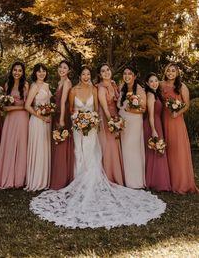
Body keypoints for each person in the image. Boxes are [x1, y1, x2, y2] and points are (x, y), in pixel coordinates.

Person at [29, 65, 165, 229]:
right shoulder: (73, 90)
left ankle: (91, 180)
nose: (86, 76)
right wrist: (78, 119)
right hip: (78, 126)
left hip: (92, 126)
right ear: (80, 76)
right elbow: (72, 108)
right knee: (78, 151)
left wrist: (91, 120)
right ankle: (79, 179)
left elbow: (95, 109)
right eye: (83, 74)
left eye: (88, 74)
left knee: (92, 152)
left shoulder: (95, 89)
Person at [161, 63, 198, 194]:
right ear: (165, 72)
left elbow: (186, 105)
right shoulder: (161, 85)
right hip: (163, 120)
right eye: (168, 70)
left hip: (176, 121)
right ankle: (167, 181)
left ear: (177, 73)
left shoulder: (182, 86)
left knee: (178, 150)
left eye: (173, 71)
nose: (170, 73)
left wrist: (177, 113)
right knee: (167, 149)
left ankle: (181, 182)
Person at [0, 62, 29, 189]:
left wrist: (12, 108)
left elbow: (27, 106)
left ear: (23, 72)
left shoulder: (26, 85)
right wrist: (8, 107)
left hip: (21, 119)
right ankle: (7, 176)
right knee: (9, 145)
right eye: (15, 70)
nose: (17, 72)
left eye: (20, 70)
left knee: (21, 145)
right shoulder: (7, 85)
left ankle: (19, 179)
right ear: (11, 71)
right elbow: (4, 107)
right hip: (9, 120)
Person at [117, 64, 146, 189]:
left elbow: (143, 109)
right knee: (124, 149)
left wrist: (130, 109)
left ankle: (135, 181)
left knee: (132, 149)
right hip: (123, 123)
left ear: (134, 76)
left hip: (134, 122)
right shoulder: (122, 88)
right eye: (125, 74)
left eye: (129, 74)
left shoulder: (139, 89)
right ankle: (126, 179)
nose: (127, 76)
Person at [25, 63, 52, 191]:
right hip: (37, 121)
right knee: (38, 148)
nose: (41, 73)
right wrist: (41, 117)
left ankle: (45, 179)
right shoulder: (34, 86)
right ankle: (36, 180)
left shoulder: (46, 85)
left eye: (44, 71)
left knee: (45, 148)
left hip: (47, 120)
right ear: (35, 73)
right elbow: (27, 106)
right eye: (39, 71)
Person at [97, 63, 124, 185]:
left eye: (108, 69)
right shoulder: (101, 88)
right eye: (103, 71)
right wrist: (112, 123)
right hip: (107, 118)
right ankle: (109, 175)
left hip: (116, 116)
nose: (106, 72)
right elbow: (104, 107)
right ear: (100, 74)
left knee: (116, 143)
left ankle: (118, 174)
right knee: (109, 145)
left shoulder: (113, 84)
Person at [143, 73, 171, 191]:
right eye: (151, 81)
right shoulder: (150, 95)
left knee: (158, 150)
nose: (154, 83)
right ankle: (154, 181)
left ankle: (159, 179)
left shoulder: (156, 94)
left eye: (156, 81)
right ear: (147, 84)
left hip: (157, 123)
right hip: (152, 125)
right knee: (154, 151)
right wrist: (154, 130)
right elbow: (150, 115)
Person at [50, 60, 74, 189]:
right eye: (60, 67)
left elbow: (64, 101)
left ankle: (61, 178)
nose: (62, 69)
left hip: (63, 115)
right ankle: (57, 175)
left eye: (65, 68)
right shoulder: (59, 82)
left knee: (62, 144)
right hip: (58, 113)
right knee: (58, 143)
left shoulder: (67, 82)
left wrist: (62, 120)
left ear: (68, 70)